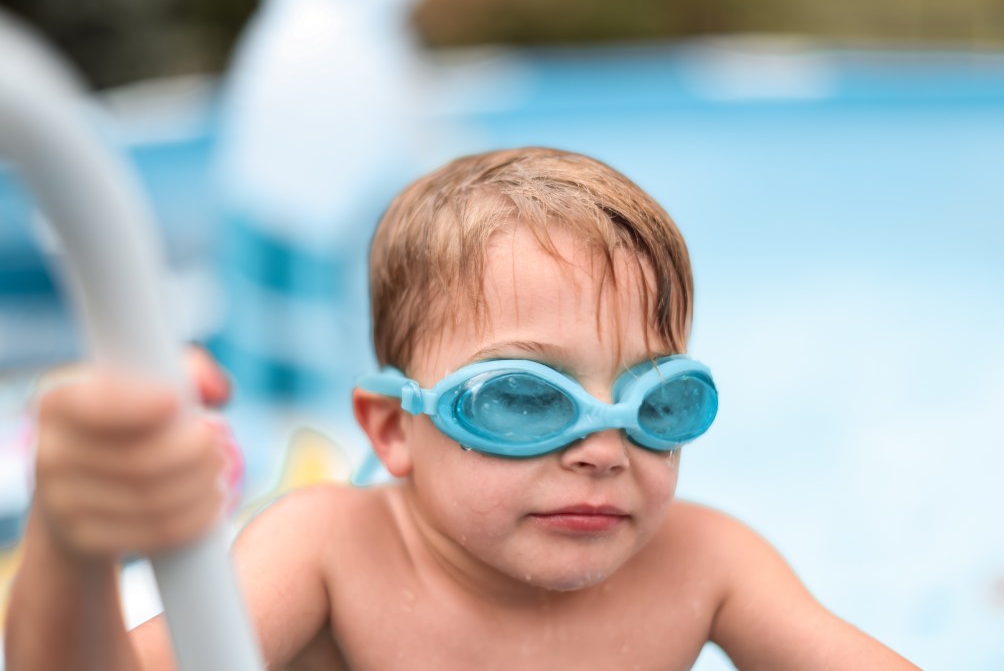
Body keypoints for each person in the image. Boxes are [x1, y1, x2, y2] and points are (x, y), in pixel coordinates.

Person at [3, 147, 918, 670]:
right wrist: (72, 539)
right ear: (397, 428)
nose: (605, 448)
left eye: (657, 400)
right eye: (524, 396)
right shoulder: (329, 550)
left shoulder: (705, 560)